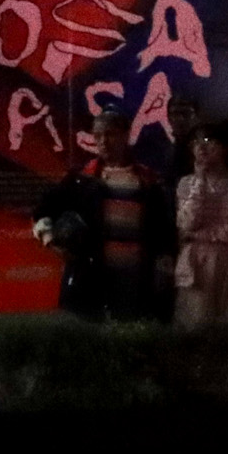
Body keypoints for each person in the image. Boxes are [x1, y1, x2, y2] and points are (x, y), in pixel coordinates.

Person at [32, 111, 174, 320]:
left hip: (136, 279)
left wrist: (164, 264)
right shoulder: (81, 179)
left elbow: (163, 229)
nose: (103, 141)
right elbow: (44, 209)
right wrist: (51, 241)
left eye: (110, 134)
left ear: (126, 135)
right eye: (97, 136)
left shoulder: (147, 181)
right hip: (92, 277)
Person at [172, 122, 228, 325]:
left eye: (208, 141)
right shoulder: (186, 183)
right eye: (196, 142)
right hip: (196, 261)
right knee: (195, 323)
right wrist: (200, 182)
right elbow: (187, 224)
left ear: (224, 147)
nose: (201, 148)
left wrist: (201, 235)